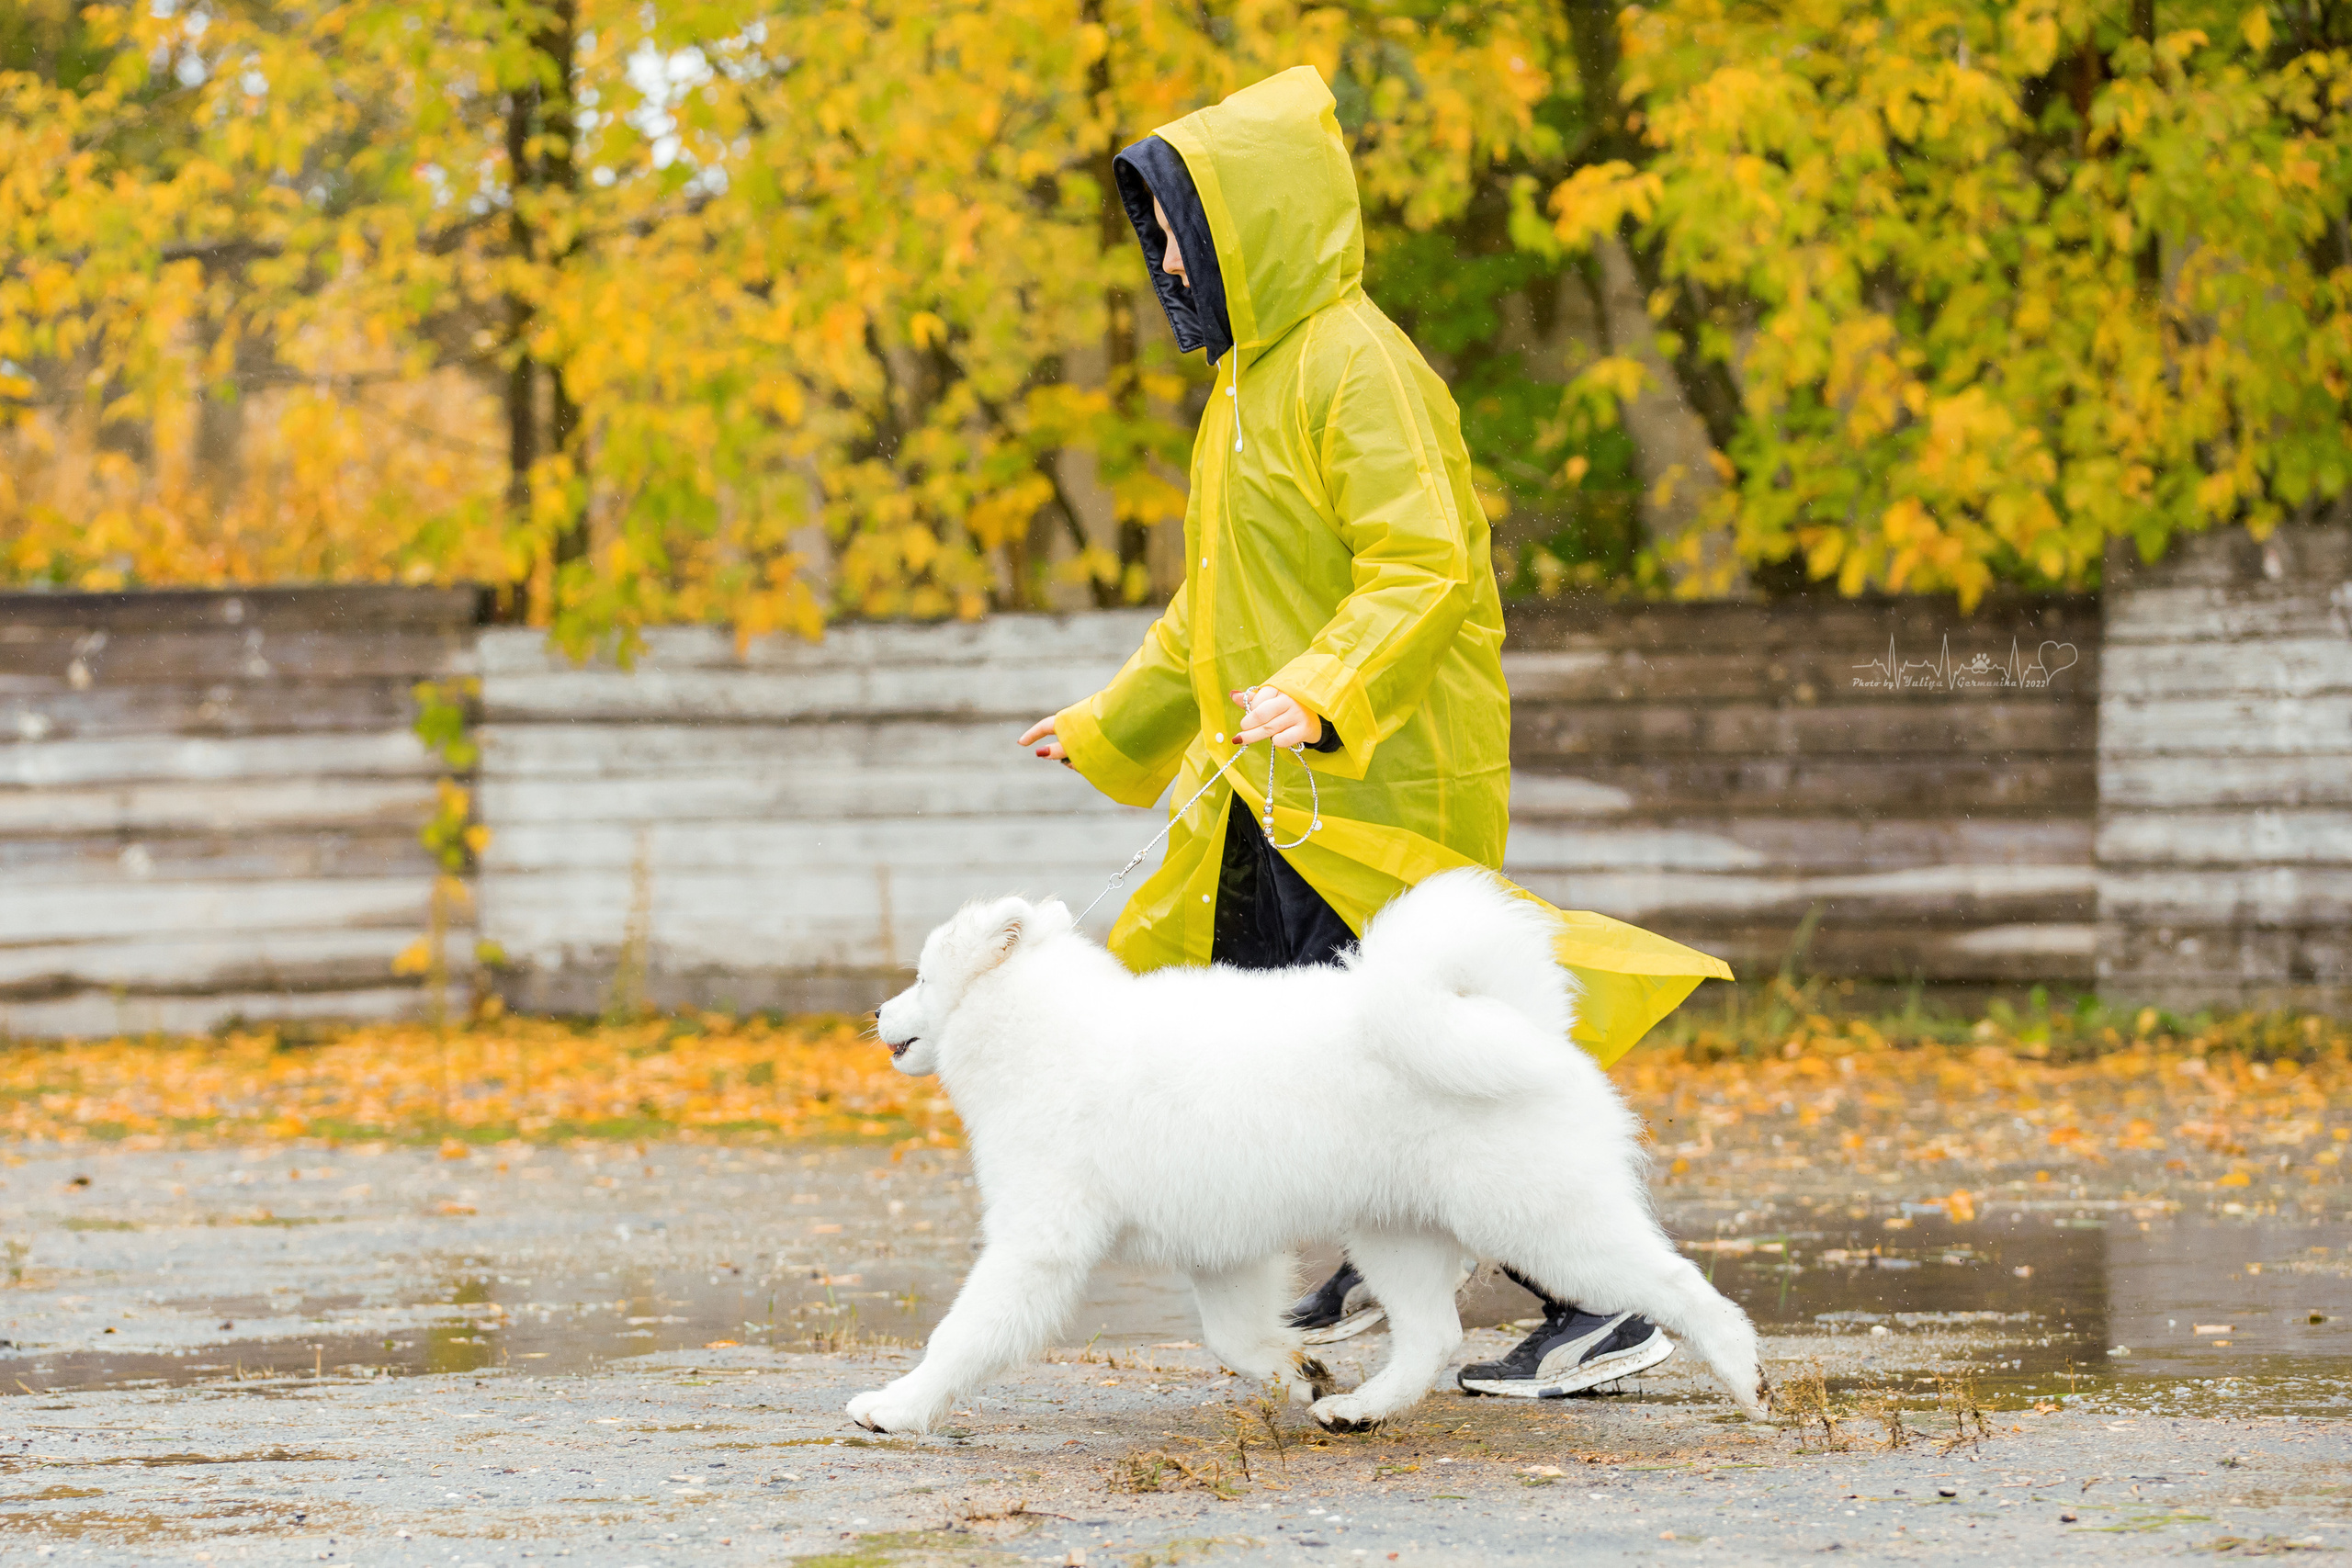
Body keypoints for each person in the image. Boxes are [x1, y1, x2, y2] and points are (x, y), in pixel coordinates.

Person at [1016, 65, 1733, 1400]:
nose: (1164, 256)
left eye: (1177, 227)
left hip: (1375, 773)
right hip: (1275, 785)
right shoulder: (1242, 393)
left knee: (1414, 1049)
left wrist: (1328, 690)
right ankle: (1380, 1254)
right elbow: (1212, 609)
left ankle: (1597, 1298)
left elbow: (1422, 570)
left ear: (1252, 225)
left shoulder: (1358, 368)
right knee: (1291, 1033)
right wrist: (1110, 721)